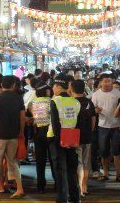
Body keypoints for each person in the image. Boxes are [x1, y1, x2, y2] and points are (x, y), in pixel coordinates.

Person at [50, 75, 82, 203]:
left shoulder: (55, 101)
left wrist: (60, 141)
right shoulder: (76, 102)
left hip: (57, 139)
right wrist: (72, 141)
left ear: (58, 86)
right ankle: (75, 197)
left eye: (54, 86)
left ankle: (62, 198)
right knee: (71, 170)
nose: (53, 88)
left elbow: (55, 123)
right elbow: (78, 122)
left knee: (60, 170)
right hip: (72, 138)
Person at [91, 73, 120, 182]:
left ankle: (118, 173)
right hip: (102, 126)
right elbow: (93, 110)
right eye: (104, 81)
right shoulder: (96, 95)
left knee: (116, 150)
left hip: (116, 126)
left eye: (109, 81)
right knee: (104, 151)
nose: (107, 83)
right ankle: (105, 173)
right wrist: (96, 110)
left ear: (112, 82)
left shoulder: (117, 93)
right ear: (100, 82)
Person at [70, 79, 95, 197]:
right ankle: (84, 187)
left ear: (72, 89)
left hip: (74, 135)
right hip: (87, 135)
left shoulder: (71, 103)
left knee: (78, 163)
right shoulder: (90, 103)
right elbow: (93, 122)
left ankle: (79, 189)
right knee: (86, 162)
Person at [29, 84, 54, 193]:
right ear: (46, 91)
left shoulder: (32, 103)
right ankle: (57, 183)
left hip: (38, 133)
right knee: (54, 159)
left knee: (40, 161)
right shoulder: (51, 101)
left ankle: (40, 186)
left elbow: (31, 117)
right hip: (50, 132)